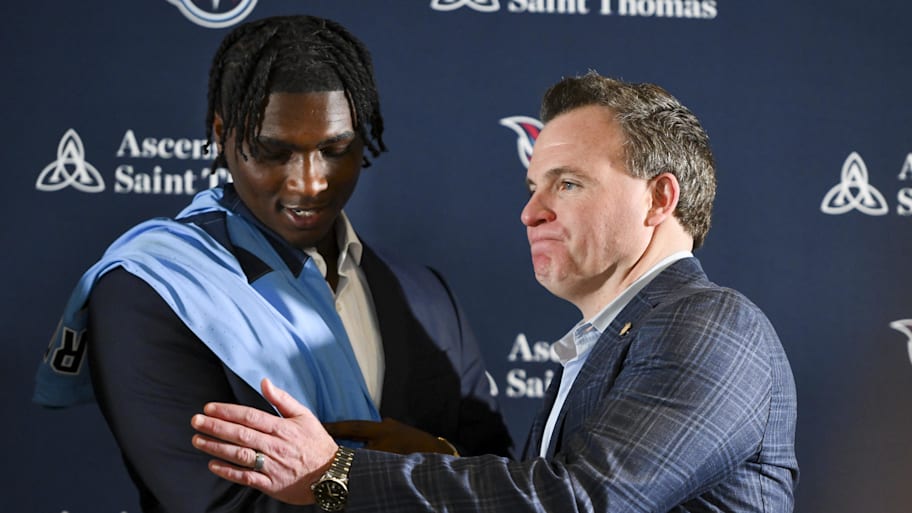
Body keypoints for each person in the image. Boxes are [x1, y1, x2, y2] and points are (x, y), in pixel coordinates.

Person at [190, 72, 799, 512]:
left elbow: (587, 501)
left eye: (567, 183)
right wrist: (444, 463)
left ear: (659, 199)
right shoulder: (614, 336)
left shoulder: (711, 323)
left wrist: (336, 474)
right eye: (534, 186)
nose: (530, 212)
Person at [33, 15, 512, 513]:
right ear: (222, 134)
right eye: (273, 152)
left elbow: (498, 479)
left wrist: (441, 455)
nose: (309, 183)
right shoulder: (150, 289)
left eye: (335, 149)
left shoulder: (426, 295)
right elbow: (219, 504)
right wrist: (395, 476)